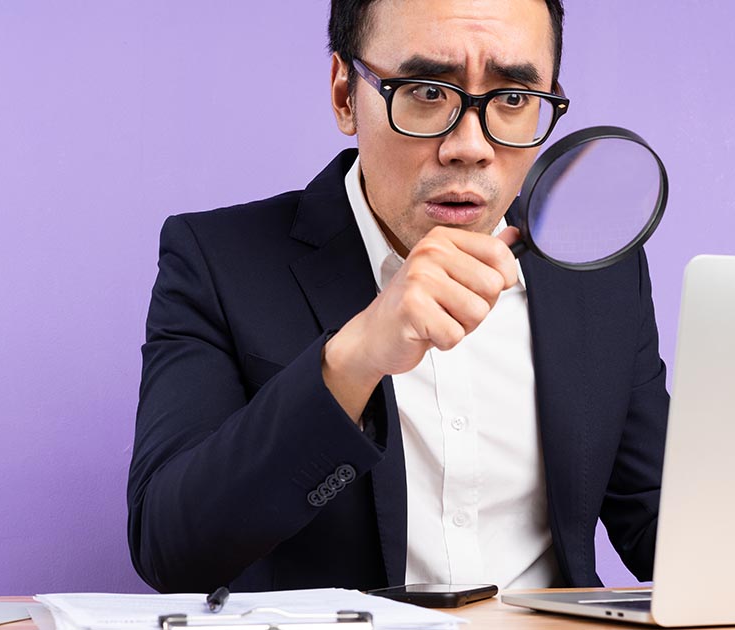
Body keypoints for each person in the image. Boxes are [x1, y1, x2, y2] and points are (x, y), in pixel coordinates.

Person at [128, 0, 669, 594]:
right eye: (427, 90)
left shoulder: (600, 274)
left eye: (513, 99)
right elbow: (171, 552)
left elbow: (657, 521)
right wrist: (353, 357)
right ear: (344, 94)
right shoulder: (217, 261)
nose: (470, 147)